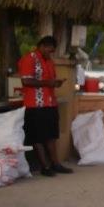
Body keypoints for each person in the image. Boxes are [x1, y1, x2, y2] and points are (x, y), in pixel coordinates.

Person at [18, 35, 71, 177]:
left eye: (52, 51)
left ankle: (55, 163)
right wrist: (49, 83)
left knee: (51, 135)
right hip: (35, 105)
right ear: (42, 46)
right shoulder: (29, 58)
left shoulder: (49, 61)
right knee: (37, 137)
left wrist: (56, 83)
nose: (50, 53)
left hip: (50, 103)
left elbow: (49, 80)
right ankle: (44, 166)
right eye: (49, 50)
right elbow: (26, 82)